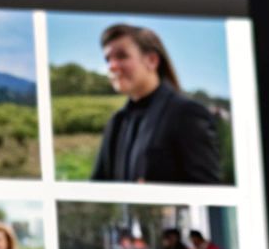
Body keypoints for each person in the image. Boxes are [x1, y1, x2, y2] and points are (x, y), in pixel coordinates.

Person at [89, 24, 223, 184]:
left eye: (122, 56)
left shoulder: (187, 113)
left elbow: (207, 190)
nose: (112, 66)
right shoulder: (116, 122)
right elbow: (98, 186)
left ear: (152, 60)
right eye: (108, 59)